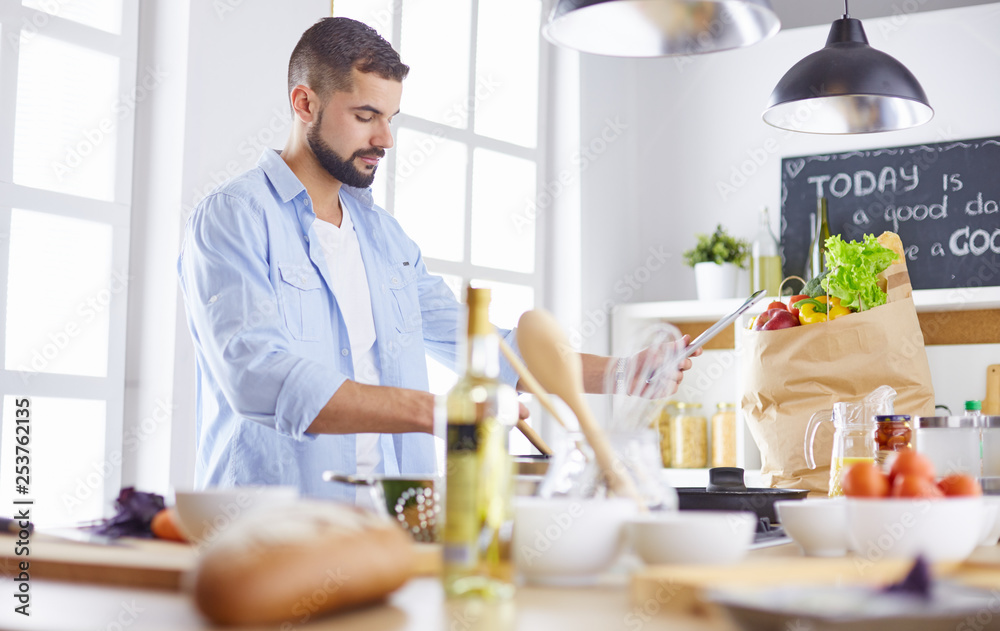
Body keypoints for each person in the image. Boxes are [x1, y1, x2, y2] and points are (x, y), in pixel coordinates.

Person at [177, 17, 696, 503]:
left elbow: (484, 350)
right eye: (366, 116)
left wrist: (625, 373)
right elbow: (258, 376)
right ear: (304, 103)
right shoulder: (234, 218)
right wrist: (436, 412)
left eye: (390, 118)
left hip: (389, 524)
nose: (385, 138)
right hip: (269, 532)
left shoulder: (385, 240)